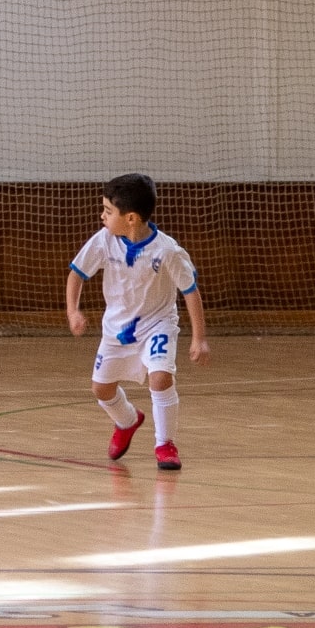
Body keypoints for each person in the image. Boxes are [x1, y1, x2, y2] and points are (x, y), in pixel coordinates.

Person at [67, 172, 209, 471]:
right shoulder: (105, 241)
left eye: (108, 211)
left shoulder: (168, 251)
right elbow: (77, 274)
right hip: (116, 330)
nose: (102, 215)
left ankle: (165, 444)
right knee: (101, 389)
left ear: (130, 218)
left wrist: (199, 338)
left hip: (158, 325)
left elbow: (190, 292)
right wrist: (73, 311)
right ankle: (127, 420)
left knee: (161, 378)